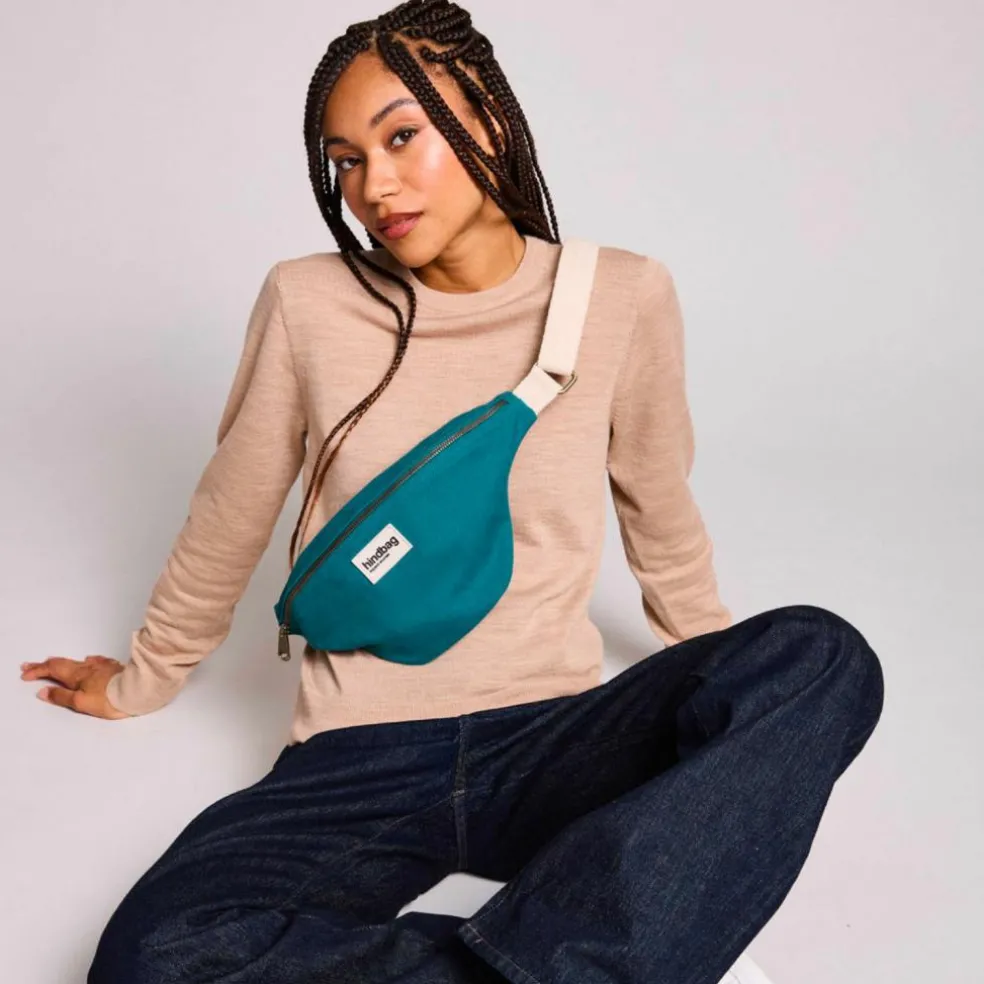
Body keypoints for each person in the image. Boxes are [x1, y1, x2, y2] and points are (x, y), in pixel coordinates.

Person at [21, 2, 885, 982]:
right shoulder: (308, 301)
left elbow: (659, 503)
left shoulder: (623, 295)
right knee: (154, 959)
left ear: (493, 123)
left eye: (402, 136)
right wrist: (144, 678)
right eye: (346, 160)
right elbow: (232, 508)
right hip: (358, 759)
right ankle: (554, 961)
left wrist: (721, 692)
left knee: (818, 655)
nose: (373, 186)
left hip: (558, 737)